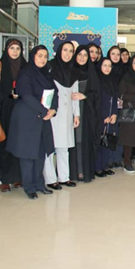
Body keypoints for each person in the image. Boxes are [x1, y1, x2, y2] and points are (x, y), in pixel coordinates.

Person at [6, 45, 58, 200]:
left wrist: (53, 110)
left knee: (40, 153)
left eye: (45, 56)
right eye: (39, 55)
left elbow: (55, 93)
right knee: (27, 155)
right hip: (27, 119)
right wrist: (44, 111)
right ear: (33, 56)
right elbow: (26, 96)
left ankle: (39, 184)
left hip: (43, 118)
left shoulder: (46, 74)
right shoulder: (25, 73)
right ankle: (29, 187)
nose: (43, 59)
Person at [0, 38, 26, 193]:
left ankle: (17, 176)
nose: (15, 52)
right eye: (12, 48)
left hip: (21, 109)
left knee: (19, 143)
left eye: (18, 48)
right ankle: (4, 179)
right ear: (6, 50)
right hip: (3, 110)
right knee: (3, 144)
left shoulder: (25, 66)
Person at [45, 42, 80, 190]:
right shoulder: (50, 68)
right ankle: (50, 179)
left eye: (71, 51)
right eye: (65, 50)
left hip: (67, 114)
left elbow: (75, 95)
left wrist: (76, 114)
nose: (67, 54)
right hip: (52, 113)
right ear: (59, 51)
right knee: (49, 147)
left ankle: (64, 177)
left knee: (64, 147)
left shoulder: (73, 71)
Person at [69, 45, 100, 183]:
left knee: (82, 140)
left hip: (86, 111)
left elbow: (97, 94)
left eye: (85, 55)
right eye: (79, 54)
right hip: (70, 110)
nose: (82, 57)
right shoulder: (69, 71)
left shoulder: (92, 73)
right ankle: (72, 172)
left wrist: (85, 96)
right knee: (72, 141)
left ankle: (82, 170)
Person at [96, 57, 118, 177]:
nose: (107, 68)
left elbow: (115, 99)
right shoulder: (97, 81)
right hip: (100, 118)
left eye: (109, 66)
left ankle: (105, 166)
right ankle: (97, 167)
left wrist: (114, 113)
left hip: (110, 117)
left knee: (107, 142)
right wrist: (103, 116)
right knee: (99, 142)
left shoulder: (112, 81)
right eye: (105, 65)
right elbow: (95, 101)